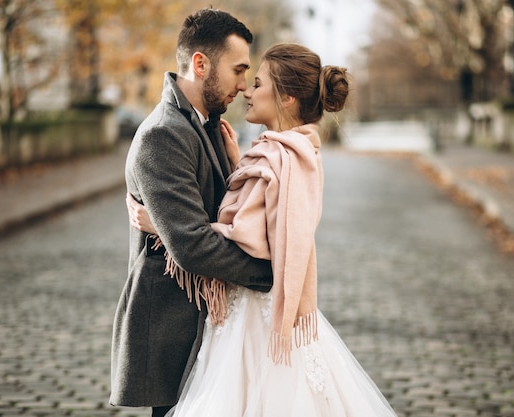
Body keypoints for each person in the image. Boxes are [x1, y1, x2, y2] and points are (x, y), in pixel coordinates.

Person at [127, 43, 398, 417]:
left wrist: (164, 227)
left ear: (286, 97)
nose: (247, 91)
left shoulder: (285, 157)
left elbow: (260, 242)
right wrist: (240, 164)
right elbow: (263, 213)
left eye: (256, 83)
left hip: (256, 319)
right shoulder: (280, 153)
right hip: (244, 314)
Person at [109, 9, 273, 417]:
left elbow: (222, 215)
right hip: (174, 332)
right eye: (238, 70)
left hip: (212, 324)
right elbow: (193, 245)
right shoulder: (163, 134)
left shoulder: (210, 124)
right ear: (200, 64)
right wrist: (267, 273)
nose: (242, 84)